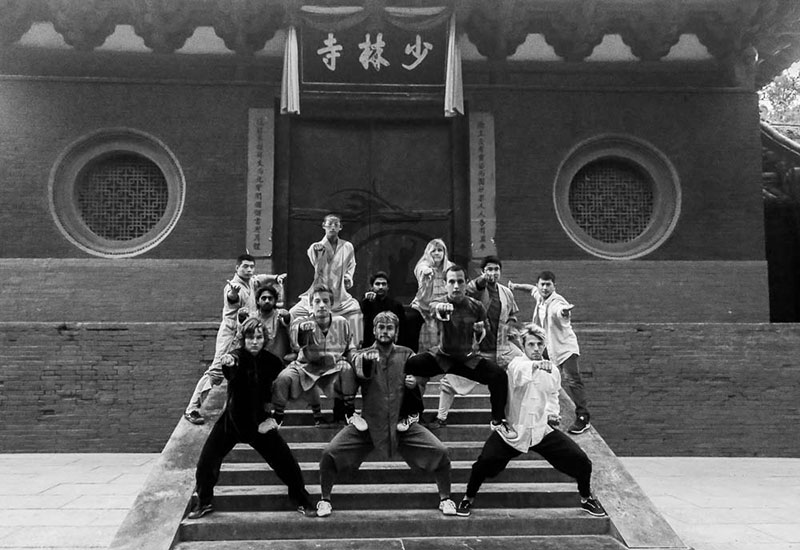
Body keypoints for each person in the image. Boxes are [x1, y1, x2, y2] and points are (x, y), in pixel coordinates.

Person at [316, 311, 458, 518]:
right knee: (329, 453)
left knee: (441, 452)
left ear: (396, 332)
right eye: (380, 327)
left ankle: (446, 498)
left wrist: (415, 383)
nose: (384, 331)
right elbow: (350, 379)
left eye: (389, 328)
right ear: (374, 330)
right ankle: (324, 499)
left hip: (402, 424)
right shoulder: (363, 355)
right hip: (370, 424)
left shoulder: (407, 354)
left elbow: (422, 382)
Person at [455, 324, 605, 518]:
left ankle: (586, 499)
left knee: (582, 461)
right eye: (531, 344)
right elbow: (518, 375)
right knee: (484, 464)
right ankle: (468, 497)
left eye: (539, 344)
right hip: (513, 432)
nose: (535, 348)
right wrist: (535, 365)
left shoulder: (552, 370)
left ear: (544, 346)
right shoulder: (516, 364)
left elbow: (553, 395)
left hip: (541, 431)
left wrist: (552, 413)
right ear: (523, 346)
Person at [187, 317, 315, 519]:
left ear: (264, 339)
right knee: (207, 461)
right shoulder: (237, 356)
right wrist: (228, 363)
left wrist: (275, 416)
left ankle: (302, 500)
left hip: (260, 424)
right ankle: (204, 502)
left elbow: (281, 389)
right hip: (232, 423)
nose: (254, 341)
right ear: (243, 339)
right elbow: (231, 366)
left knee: (286, 462)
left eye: (258, 337)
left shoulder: (272, 362)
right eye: (250, 338)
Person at [398, 265, 515, 438]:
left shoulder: (477, 307)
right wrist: (441, 310)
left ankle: (498, 421)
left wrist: (479, 331)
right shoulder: (439, 303)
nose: (456, 286)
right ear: (445, 284)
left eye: (460, 281)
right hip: (442, 357)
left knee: (498, 376)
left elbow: (484, 333)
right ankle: (412, 413)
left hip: (467, 359)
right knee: (410, 365)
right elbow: (436, 310)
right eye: (451, 282)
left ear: (466, 283)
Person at [184, 254, 286, 425]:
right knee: (216, 371)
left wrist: (275, 278)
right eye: (245, 266)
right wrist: (233, 293)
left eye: (251, 267)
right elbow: (232, 299)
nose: (249, 270)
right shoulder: (234, 286)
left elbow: (262, 278)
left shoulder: (252, 281)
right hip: (231, 333)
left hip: (245, 333)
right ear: (236, 268)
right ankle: (192, 408)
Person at [433, 256, 522, 428]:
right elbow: (472, 287)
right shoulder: (473, 291)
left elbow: (512, 314)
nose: (493, 273)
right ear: (482, 272)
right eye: (489, 269)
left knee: (525, 368)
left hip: (502, 346)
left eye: (496, 269)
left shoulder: (506, 293)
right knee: (450, 381)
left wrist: (510, 326)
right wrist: (483, 279)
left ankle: (520, 418)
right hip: (478, 348)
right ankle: (441, 418)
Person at [509, 270, 591, 434]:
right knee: (547, 379)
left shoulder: (557, 302)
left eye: (548, 285)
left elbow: (560, 312)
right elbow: (531, 289)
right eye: (542, 284)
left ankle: (583, 417)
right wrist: (516, 286)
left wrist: (565, 312)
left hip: (565, 349)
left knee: (572, 380)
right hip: (550, 348)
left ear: (554, 286)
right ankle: (547, 415)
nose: (545, 288)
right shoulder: (540, 296)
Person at [273, 285, 360, 426]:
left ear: (331, 304)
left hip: (332, 366)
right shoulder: (301, 321)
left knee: (347, 369)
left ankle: (349, 411)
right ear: (311, 304)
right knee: (283, 378)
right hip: (305, 366)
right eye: (317, 301)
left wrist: (355, 358)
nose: (321, 305)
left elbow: (350, 347)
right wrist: (303, 331)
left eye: (325, 301)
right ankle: (278, 417)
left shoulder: (342, 322)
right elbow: (297, 339)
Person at [289, 214, 363, 347]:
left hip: (339, 294)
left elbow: (352, 265)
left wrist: (348, 277)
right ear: (324, 226)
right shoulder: (315, 247)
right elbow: (318, 268)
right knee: (293, 313)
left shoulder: (348, 246)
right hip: (320, 293)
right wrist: (319, 253)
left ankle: (354, 347)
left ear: (340, 227)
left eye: (336, 224)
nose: (333, 227)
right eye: (330, 224)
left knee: (355, 309)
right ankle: (295, 347)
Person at [405, 238, 454, 352]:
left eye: (440, 250)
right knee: (427, 340)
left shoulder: (450, 267)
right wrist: (427, 272)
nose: (437, 253)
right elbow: (421, 269)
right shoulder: (423, 265)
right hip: (424, 309)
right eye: (433, 250)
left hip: (443, 308)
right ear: (428, 253)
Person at [359, 271, 406, 349]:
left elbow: (402, 330)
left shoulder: (396, 305)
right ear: (372, 286)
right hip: (369, 347)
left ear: (388, 287)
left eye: (384, 284)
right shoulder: (366, 303)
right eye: (377, 284)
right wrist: (365, 300)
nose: (381, 287)